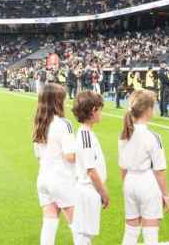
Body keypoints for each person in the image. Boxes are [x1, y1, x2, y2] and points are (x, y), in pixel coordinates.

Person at [119, 89, 169, 245]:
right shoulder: (153, 136)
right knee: (150, 233)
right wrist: (166, 194)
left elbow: (122, 167)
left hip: (129, 182)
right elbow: (159, 170)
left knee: (131, 231)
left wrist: (126, 185)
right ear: (148, 110)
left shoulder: (124, 134)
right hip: (147, 183)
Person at [33, 83, 77, 245]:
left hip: (44, 178)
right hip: (61, 179)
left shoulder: (39, 124)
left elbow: (39, 156)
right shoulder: (63, 124)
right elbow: (70, 156)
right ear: (57, 101)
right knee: (78, 225)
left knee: (49, 223)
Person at [71, 91, 109, 245]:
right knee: (84, 236)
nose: (101, 113)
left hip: (88, 190)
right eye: (100, 109)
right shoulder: (85, 136)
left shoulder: (86, 133)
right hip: (88, 191)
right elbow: (91, 170)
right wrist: (103, 192)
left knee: (85, 236)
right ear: (93, 110)